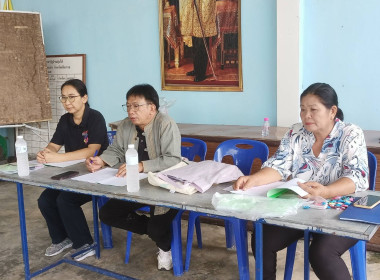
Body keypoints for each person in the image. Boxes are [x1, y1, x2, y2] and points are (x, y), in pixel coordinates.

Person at [234, 83, 369, 280]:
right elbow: (279, 166)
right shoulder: (295, 133)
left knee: (322, 254)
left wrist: (325, 192)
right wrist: (253, 179)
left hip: (340, 210)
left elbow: (358, 177)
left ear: (332, 111)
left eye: (313, 110)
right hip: (302, 207)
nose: (306, 115)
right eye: (302, 109)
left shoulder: (350, 133)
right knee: (262, 238)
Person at [85, 84, 181, 271]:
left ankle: (164, 245)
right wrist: (102, 161)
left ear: (152, 108)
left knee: (157, 226)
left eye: (136, 106)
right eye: (128, 106)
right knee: (107, 214)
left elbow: (172, 159)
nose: (131, 111)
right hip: (135, 184)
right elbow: (117, 149)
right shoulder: (126, 124)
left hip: (164, 185)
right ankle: (157, 232)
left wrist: (141, 166)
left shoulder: (166, 124)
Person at [37, 79, 109, 261]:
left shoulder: (95, 117)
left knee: (65, 200)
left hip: (97, 172)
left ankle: (85, 244)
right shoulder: (65, 120)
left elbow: (92, 150)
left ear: (84, 98)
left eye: (72, 97)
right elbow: (53, 145)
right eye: (63, 98)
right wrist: (46, 153)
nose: (67, 102)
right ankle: (62, 238)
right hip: (73, 172)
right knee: (45, 199)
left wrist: (58, 157)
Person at [180, 0, 217, 82]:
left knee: (201, 44)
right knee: (195, 43)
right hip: (195, 9)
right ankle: (196, 69)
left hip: (204, 9)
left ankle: (201, 74)